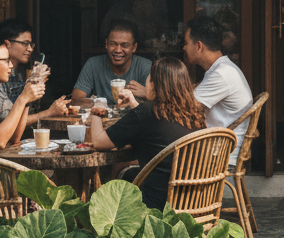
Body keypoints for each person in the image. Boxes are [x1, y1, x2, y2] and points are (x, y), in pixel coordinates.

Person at [89, 56, 206, 209]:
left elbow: (98, 142)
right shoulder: (195, 114)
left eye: (149, 78)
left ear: (154, 84)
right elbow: (157, 124)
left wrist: (96, 110)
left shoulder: (146, 113)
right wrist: (134, 104)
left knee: (122, 176)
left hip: (158, 205)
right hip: (195, 202)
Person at [182, 14, 252, 165]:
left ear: (199, 46)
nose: (184, 48)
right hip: (215, 147)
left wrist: (150, 94)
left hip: (219, 154)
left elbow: (183, 108)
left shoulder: (221, 74)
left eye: (186, 43)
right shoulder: (221, 69)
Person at [0, 17, 72, 124]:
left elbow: (30, 111)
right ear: (7, 44)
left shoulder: (23, 73)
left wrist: (36, 84)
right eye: (25, 43)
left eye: (31, 44)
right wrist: (49, 112)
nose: (30, 49)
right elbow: (8, 122)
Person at [71, 20, 151, 105]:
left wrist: (148, 94)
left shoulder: (145, 66)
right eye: (113, 44)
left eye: (125, 45)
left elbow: (163, 104)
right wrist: (98, 104)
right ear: (106, 44)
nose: (118, 50)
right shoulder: (93, 64)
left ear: (134, 47)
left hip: (134, 118)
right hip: (101, 117)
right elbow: (76, 99)